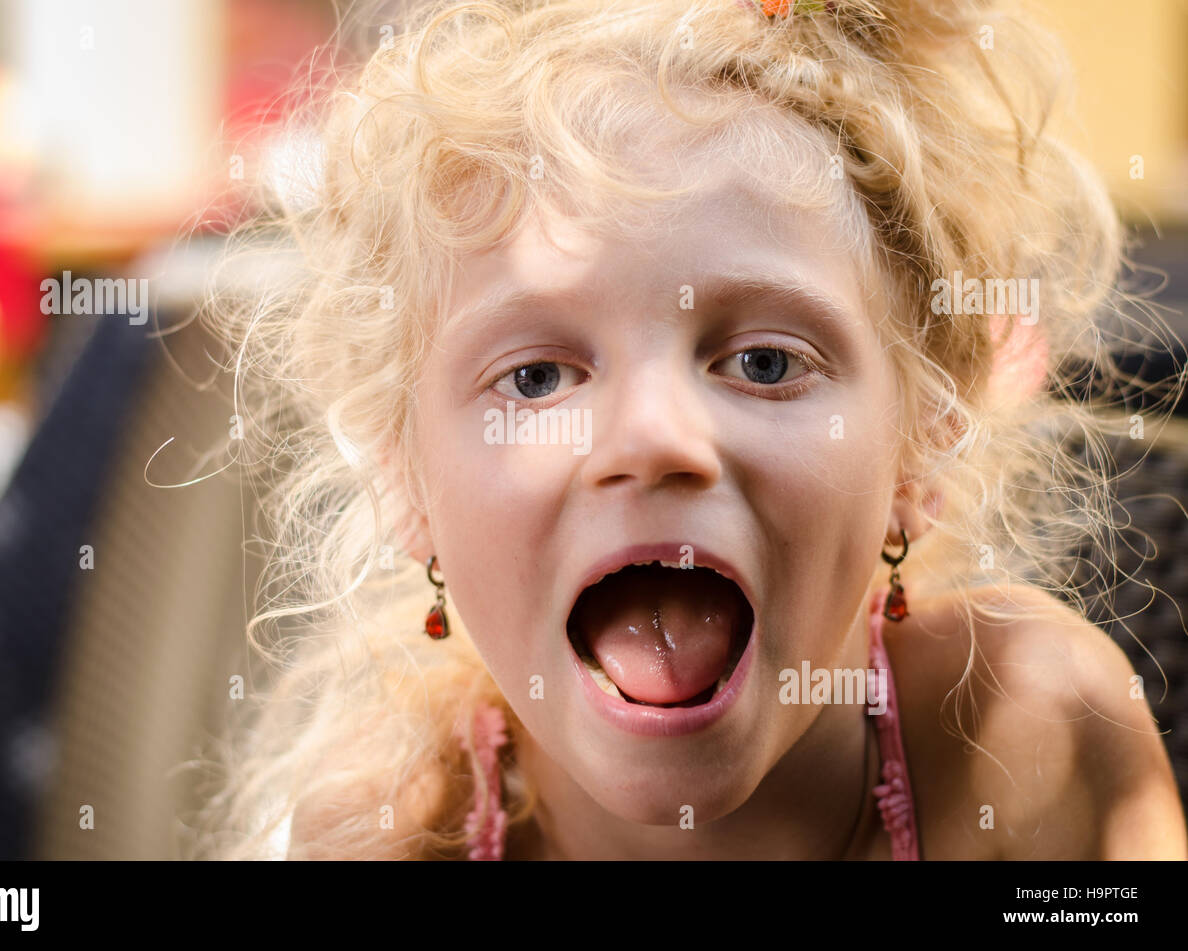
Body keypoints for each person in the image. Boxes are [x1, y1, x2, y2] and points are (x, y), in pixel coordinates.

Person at [191, 0, 1188, 860]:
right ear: (406, 482)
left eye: (762, 364)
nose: (654, 439)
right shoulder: (389, 832)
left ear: (926, 435)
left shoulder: (1031, 738)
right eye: (535, 377)